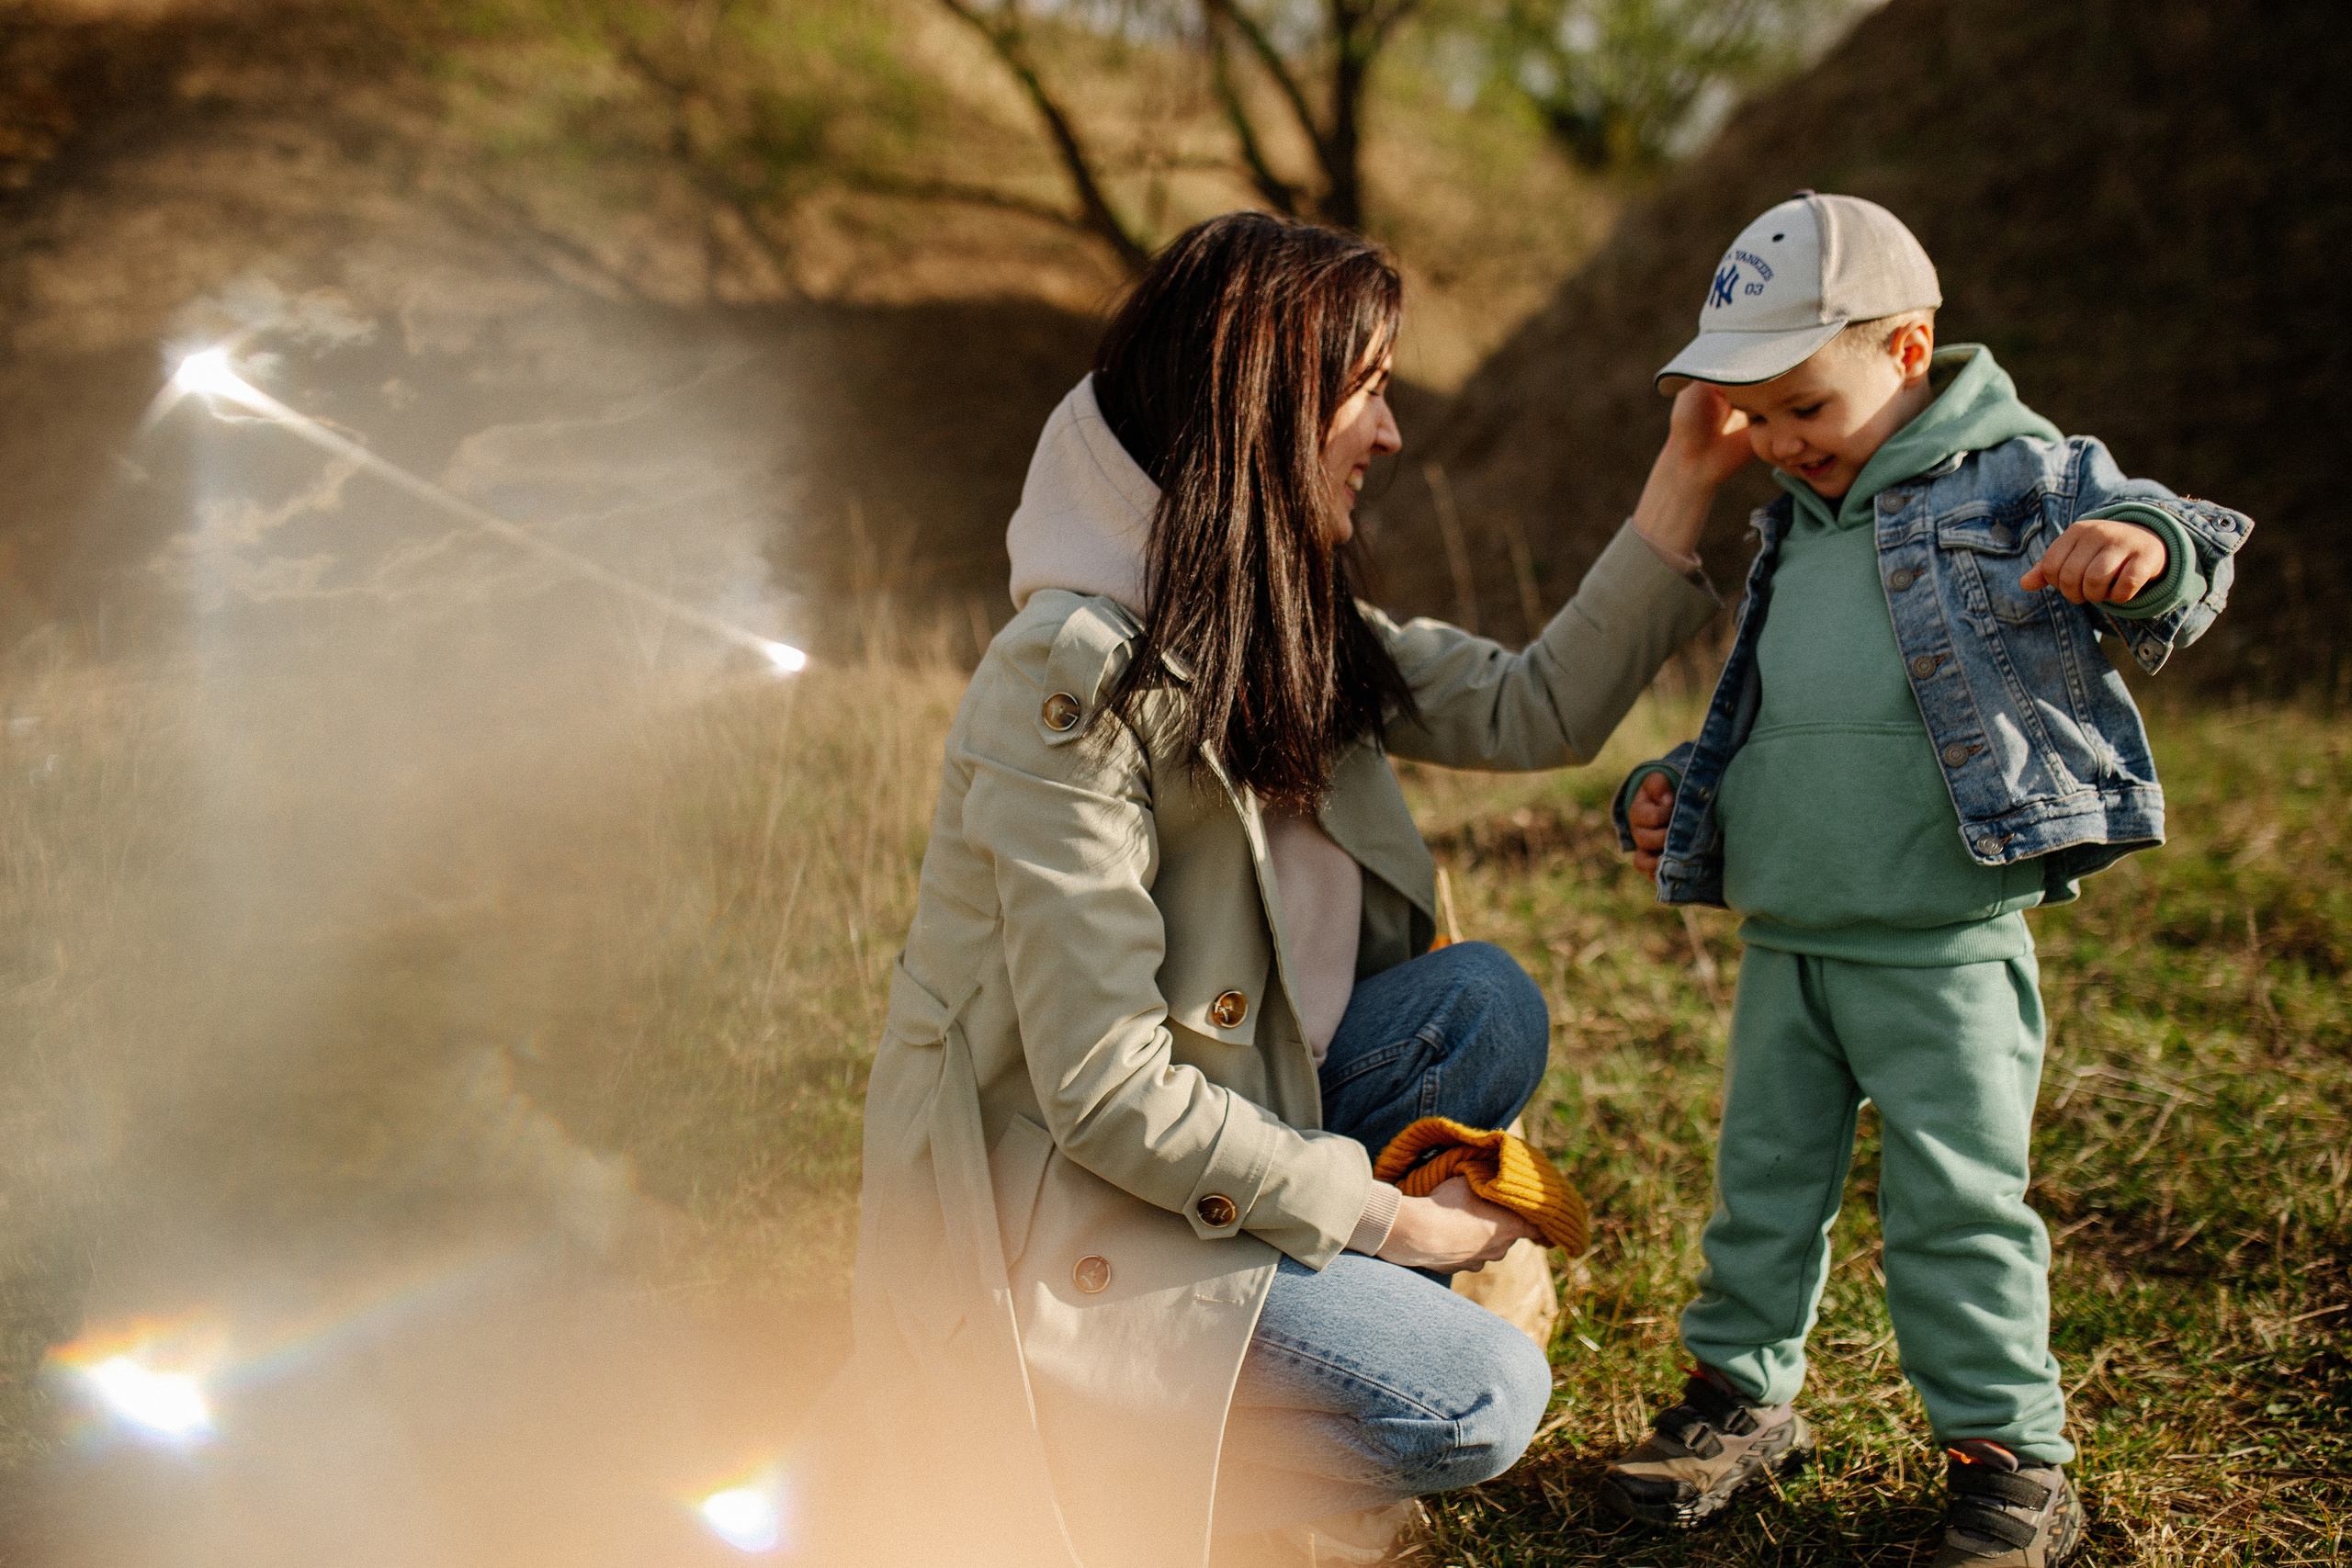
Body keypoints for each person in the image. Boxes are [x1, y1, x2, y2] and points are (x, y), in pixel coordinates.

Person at [831, 211, 1732, 1568]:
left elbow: (1534, 707)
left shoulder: (1285, 620)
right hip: (1072, 1208)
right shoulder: (1067, 681)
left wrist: (1688, 473)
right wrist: (1391, 1219)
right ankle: (1081, 1455)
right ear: (1256, 416)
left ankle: (1274, 1324)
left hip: (1234, 1125)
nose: (1392, 433)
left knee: (1480, 1004)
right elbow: (1105, 1093)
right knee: (1483, 1396)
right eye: (1363, 393)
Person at [1600, 192, 2253, 1567]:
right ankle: (1738, 1395)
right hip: (1790, 931)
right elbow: (1772, 705)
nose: (1777, 443)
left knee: (1957, 1198)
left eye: (1801, 406)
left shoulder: (2013, 473)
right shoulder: (1796, 525)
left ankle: (2008, 1454)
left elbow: (2168, 528)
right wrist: (1680, 785)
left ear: (1907, 351)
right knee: (1762, 1182)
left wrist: (2148, 553)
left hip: (1942, 935)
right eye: (1756, 418)